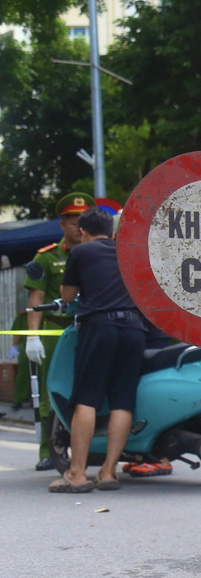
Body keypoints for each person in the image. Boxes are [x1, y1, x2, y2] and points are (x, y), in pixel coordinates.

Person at [48, 208, 146, 492]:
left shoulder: (81, 252)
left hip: (99, 328)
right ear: (113, 232)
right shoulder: (127, 251)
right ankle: (108, 472)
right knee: (122, 401)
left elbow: (67, 295)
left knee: (87, 399)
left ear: (82, 231)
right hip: (133, 330)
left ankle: (77, 473)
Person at [24, 191, 92, 470]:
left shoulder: (99, 253)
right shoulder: (46, 258)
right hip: (57, 333)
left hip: (88, 331)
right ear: (61, 224)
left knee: (88, 392)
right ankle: (47, 450)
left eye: (82, 219)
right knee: (50, 393)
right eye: (72, 220)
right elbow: (35, 300)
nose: (77, 225)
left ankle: (88, 449)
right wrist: (33, 337)